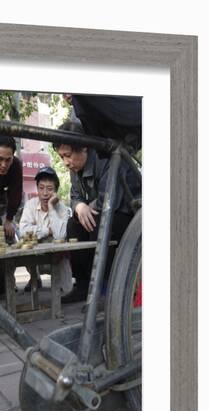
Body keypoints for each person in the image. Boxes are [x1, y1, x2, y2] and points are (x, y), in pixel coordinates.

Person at [52, 120, 141, 303]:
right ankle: (83, 286)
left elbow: (109, 200)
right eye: (62, 157)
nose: (66, 162)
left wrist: (87, 207)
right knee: (73, 225)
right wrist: (79, 206)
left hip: (128, 215)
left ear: (84, 148)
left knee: (98, 224)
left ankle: (106, 288)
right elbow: (75, 196)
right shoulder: (74, 167)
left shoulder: (106, 158)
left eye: (68, 155)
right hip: (101, 211)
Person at [19, 166, 73, 294]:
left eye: (49, 189)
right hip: (36, 258)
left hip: (57, 259)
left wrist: (51, 208)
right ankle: (35, 278)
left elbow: (59, 236)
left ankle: (61, 282)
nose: (44, 193)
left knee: (67, 291)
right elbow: (23, 231)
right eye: (41, 188)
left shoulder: (63, 209)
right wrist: (47, 231)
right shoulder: (30, 204)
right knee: (25, 247)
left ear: (55, 191)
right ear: (37, 188)